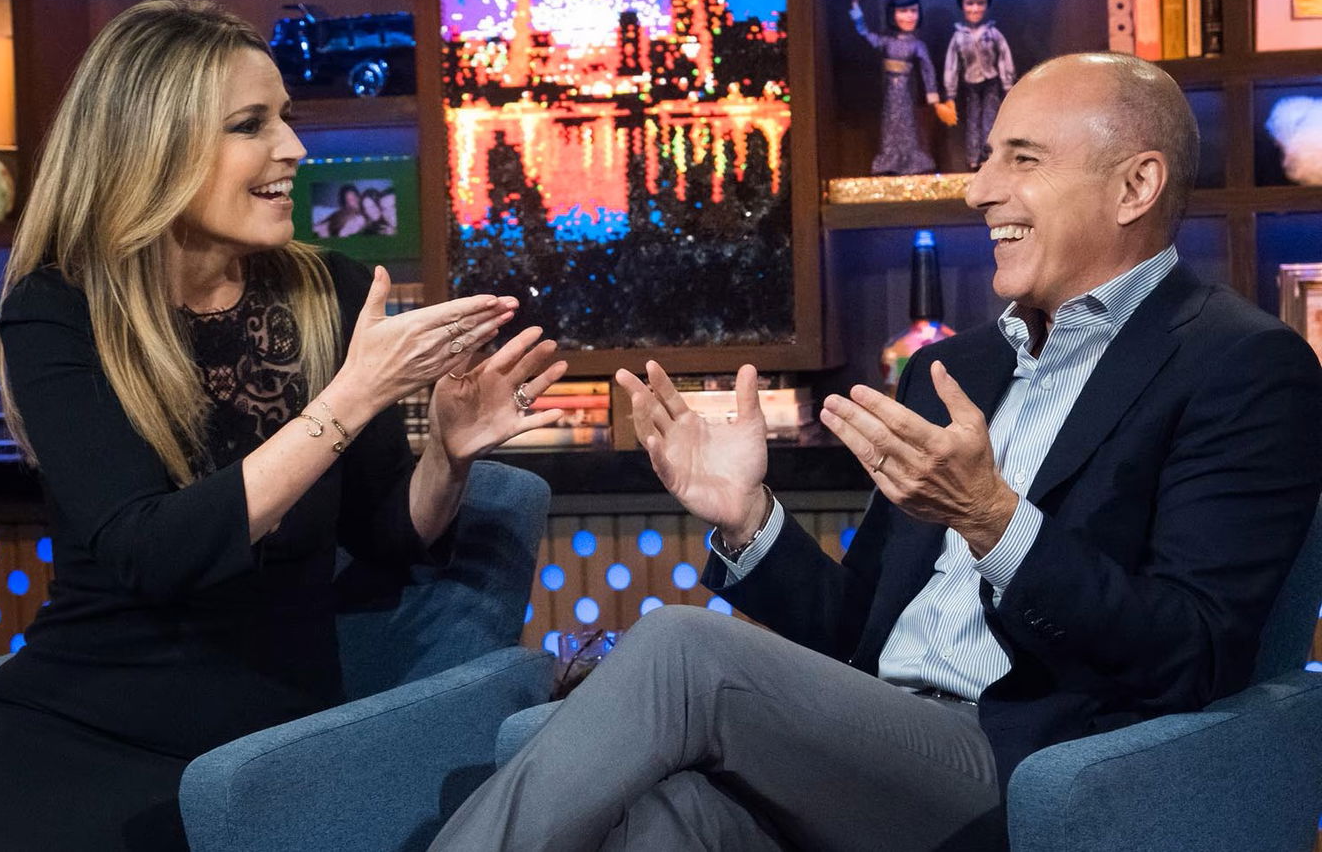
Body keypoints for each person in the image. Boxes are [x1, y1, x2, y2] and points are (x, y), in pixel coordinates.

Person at [431, 52, 1322, 851]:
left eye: (1022, 159)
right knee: (666, 819)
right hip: (874, 750)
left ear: (1136, 186)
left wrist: (995, 521)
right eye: (988, 157)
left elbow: (1193, 652)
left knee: (682, 646)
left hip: (1033, 766)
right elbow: (858, 631)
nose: (977, 190)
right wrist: (749, 520)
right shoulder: (951, 367)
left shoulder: (1240, 365)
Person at [0, 0, 568, 852]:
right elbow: (151, 549)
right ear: (153, 147)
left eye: (286, 117)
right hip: (67, 714)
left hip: (240, 748)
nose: (294, 148)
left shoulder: (335, 294)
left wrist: (448, 457)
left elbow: (384, 534)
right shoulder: (59, 309)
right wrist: (350, 398)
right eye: (251, 125)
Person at [849, 0, 957, 176]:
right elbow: (866, 35)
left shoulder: (917, 45)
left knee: (908, 126)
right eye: (903, 11)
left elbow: (928, 71)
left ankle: (909, 161)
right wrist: (857, 14)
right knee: (890, 125)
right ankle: (890, 161)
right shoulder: (887, 42)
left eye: (913, 11)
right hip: (890, 93)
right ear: (893, 14)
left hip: (907, 92)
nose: (909, 16)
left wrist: (934, 100)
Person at [944, 0, 1015, 170]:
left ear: (987, 4)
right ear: (962, 5)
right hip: (971, 85)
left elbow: (1004, 57)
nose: (975, 9)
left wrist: (1007, 84)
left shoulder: (993, 33)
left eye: (980, 3)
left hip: (991, 82)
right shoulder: (959, 36)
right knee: (972, 121)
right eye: (970, 3)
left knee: (990, 119)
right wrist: (950, 93)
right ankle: (973, 157)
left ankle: (989, 156)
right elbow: (951, 65)